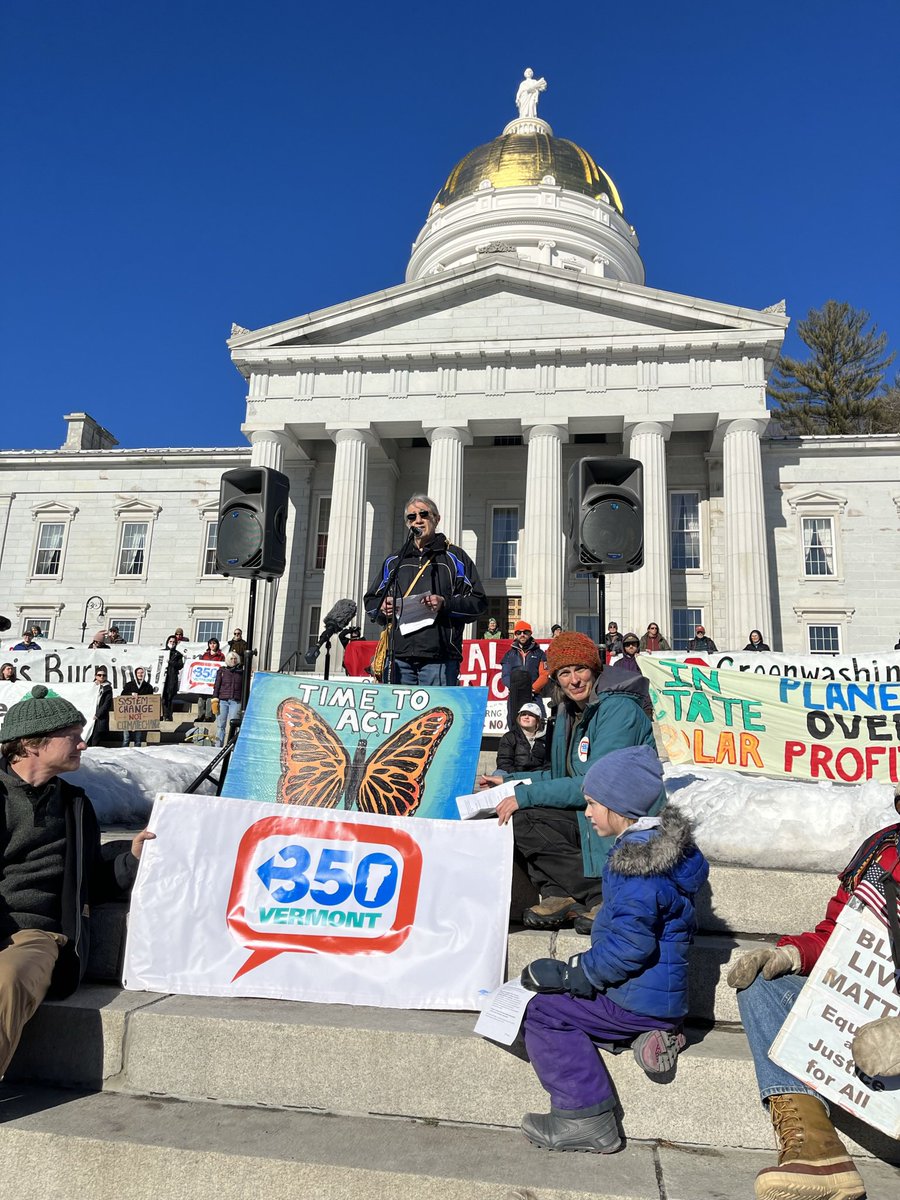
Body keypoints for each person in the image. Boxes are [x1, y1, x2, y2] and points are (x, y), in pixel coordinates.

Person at [514, 745, 709, 1153]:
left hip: (635, 1000)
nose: (586, 813)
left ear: (620, 808)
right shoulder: (663, 854)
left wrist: (575, 974)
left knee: (543, 1011)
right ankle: (655, 1034)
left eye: (592, 804)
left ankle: (584, 1118)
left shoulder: (638, 866)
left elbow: (630, 945)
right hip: (657, 997)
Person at [727, 797, 900, 1200]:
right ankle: (818, 1152)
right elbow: (838, 937)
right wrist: (790, 954)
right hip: (867, 1009)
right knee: (762, 988)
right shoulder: (883, 849)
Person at [0, 685, 154, 1079]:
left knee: (7, 979)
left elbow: (90, 883)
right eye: (72, 735)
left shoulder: (74, 804)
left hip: (34, 933)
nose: (83, 744)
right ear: (32, 744)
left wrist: (131, 858)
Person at [478, 631, 664, 934]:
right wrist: (507, 780)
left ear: (595, 670)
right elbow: (560, 776)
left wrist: (523, 796)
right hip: (590, 808)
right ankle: (559, 893)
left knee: (524, 813)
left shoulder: (618, 709)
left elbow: (598, 783)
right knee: (513, 815)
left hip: (623, 814)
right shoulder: (567, 711)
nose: (574, 679)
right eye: (564, 672)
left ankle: (600, 893)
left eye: (581, 669)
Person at [364, 494, 487, 687]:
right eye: (412, 517)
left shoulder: (455, 557)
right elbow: (371, 600)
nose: (418, 520)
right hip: (399, 657)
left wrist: (445, 603)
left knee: (435, 715)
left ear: (436, 519)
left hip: (439, 657)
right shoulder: (395, 560)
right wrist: (382, 607)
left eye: (424, 514)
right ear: (407, 524)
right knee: (400, 716)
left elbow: (479, 603)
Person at [501, 620, 548, 727]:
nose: (522, 635)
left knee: (540, 724)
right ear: (515, 635)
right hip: (515, 695)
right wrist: (515, 688)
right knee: (514, 724)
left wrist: (532, 689)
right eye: (519, 632)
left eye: (525, 632)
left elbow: (544, 675)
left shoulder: (540, 653)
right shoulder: (509, 654)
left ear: (530, 633)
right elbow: (505, 675)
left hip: (534, 695)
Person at [497, 702, 548, 774]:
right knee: (498, 773)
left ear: (537, 720)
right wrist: (519, 777)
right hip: (514, 775)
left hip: (537, 777)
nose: (526, 717)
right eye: (523, 714)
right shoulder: (509, 737)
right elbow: (504, 763)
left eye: (531, 715)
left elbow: (548, 764)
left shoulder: (545, 739)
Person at [213, 652, 244, 747]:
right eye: (231, 659)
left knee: (233, 725)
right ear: (227, 660)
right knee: (220, 725)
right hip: (223, 701)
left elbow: (244, 687)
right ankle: (218, 745)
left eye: (235, 659)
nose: (233, 661)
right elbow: (217, 686)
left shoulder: (241, 672)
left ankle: (232, 745)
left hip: (236, 701)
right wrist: (215, 699)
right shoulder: (222, 671)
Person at [120, 667, 155, 747]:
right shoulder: (129, 685)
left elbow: (151, 700)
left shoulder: (148, 686)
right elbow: (122, 696)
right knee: (126, 738)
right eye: (138, 673)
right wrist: (131, 694)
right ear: (135, 674)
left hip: (140, 716)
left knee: (138, 739)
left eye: (142, 673)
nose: (140, 674)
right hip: (128, 715)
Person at [196, 638, 225, 722]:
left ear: (217, 645)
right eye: (211, 643)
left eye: (214, 643)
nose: (212, 645)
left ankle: (208, 716)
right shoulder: (205, 655)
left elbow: (222, 667)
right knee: (201, 700)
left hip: (214, 681)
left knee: (209, 699)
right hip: (204, 680)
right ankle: (200, 715)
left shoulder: (221, 656)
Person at [87, 666, 113, 747]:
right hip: (89, 716)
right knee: (87, 738)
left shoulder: (108, 688)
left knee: (96, 739)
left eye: (104, 675)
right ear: (95, 676)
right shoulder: (90, 686)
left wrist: (98, 714)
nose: (101, 677)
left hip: (99, 717)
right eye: (99, 675)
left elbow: (107, 703)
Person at [161, 635, 184, 722]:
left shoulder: (178, 654)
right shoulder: (162, 652)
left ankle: (168, 715)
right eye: (171, 642)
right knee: (162, 698)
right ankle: (161, 714)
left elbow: (180, 665)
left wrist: (170, 662)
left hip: (171, 678)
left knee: (169, 698)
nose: (172, 643)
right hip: (162, 678)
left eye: (174, 642)